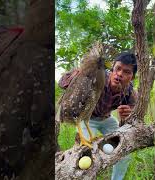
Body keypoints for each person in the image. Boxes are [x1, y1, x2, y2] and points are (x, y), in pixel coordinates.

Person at [58, 52, 138, 180]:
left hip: (107, 119)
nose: (120, 74)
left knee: (124, 153)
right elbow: (61, 83)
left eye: (127, 72)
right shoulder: (96, 77)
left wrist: (128, 113)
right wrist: (75, 76)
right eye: (118, 68)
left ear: (132, 77)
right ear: (112, 68)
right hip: (87, 119)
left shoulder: (130, 92)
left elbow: (134, 112)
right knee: (86, 154)